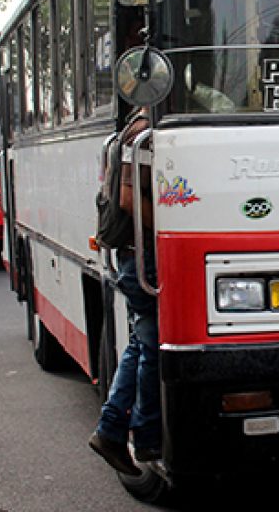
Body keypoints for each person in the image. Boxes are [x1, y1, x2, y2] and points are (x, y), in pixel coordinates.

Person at [89, 109, 161, 475]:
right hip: (144, 256)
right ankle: (145, 436)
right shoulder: (144, 134)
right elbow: (128, 199)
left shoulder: (136, 127)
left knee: (141, 343)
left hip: (136, 256)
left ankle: (111, 431)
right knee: (152, 346)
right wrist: (170, 230)